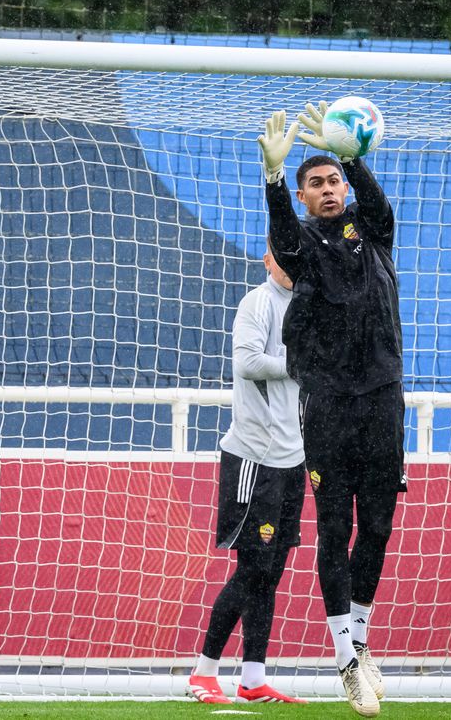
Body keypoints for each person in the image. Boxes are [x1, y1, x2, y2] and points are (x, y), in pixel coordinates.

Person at [256, 103, 405, 718]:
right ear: (302, 193)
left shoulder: (373, 232)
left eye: (333, 181)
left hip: (382, 400)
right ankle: (346, 659)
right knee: (335, 529)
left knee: (377, 528)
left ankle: (362, 645)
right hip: (328, 405)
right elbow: (283, 238)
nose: (326, 190)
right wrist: (271, 179)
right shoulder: (303, 247)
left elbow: (381, 208)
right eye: (313, 183)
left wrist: (351, 155)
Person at [187, 244, 308, 705]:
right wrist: (302, 366)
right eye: (282, 256)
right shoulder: (257, 303)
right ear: (267, 260)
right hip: (252, 460)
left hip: (292, 458)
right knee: (253, 569)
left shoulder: (311, 305)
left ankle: (253, 678)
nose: (291, 265)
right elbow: (247, 363)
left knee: (271, 571)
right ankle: (204, 672)